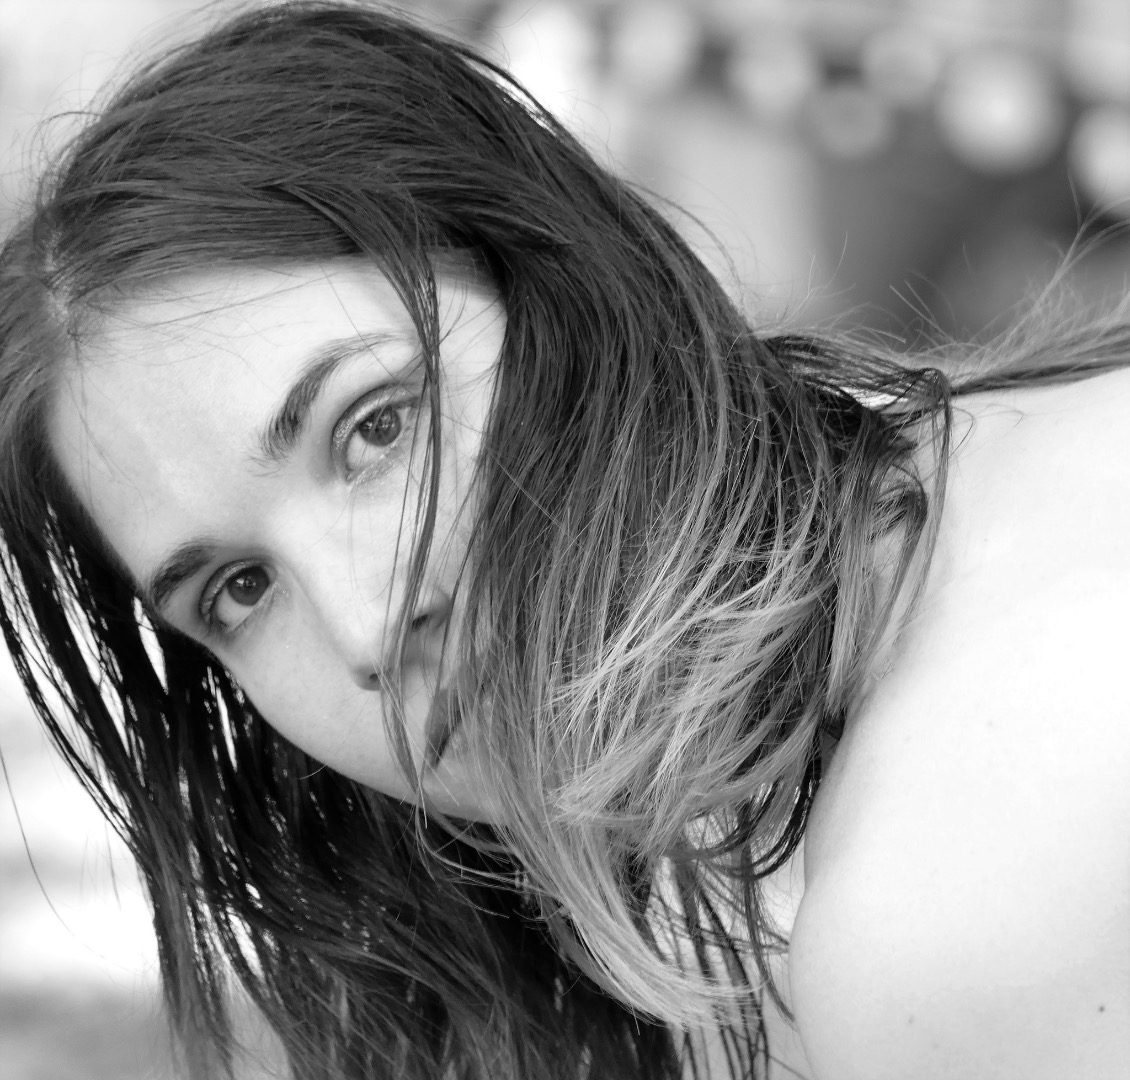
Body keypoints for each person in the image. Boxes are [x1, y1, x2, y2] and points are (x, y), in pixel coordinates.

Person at [0, 2, 1127, 1077]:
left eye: (376, 427)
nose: (366, 629)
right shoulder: (1038, 451)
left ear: (569, 278)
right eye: (240, 590)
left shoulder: (941, 920)